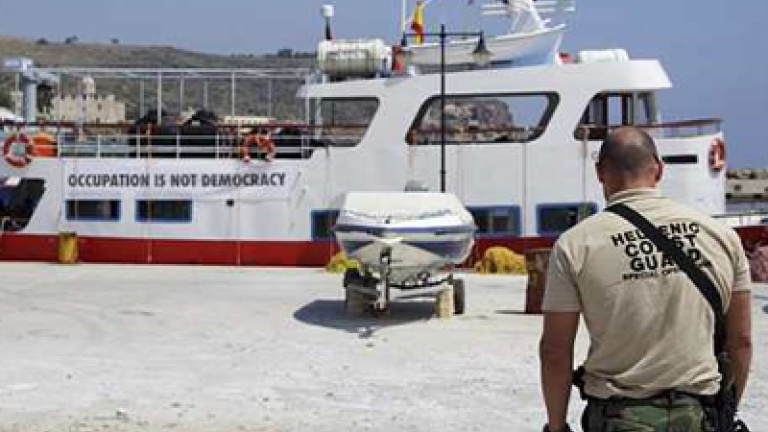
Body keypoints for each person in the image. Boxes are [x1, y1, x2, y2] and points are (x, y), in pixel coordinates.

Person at [539, 127, 753, 432]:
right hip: (698, 416)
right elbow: (741, 341)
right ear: (659, 169)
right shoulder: (722, 236)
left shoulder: (575, 245)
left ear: (600, 173)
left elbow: (555, 351)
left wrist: (557, 426)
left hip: (618, 418)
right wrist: (726, 411)